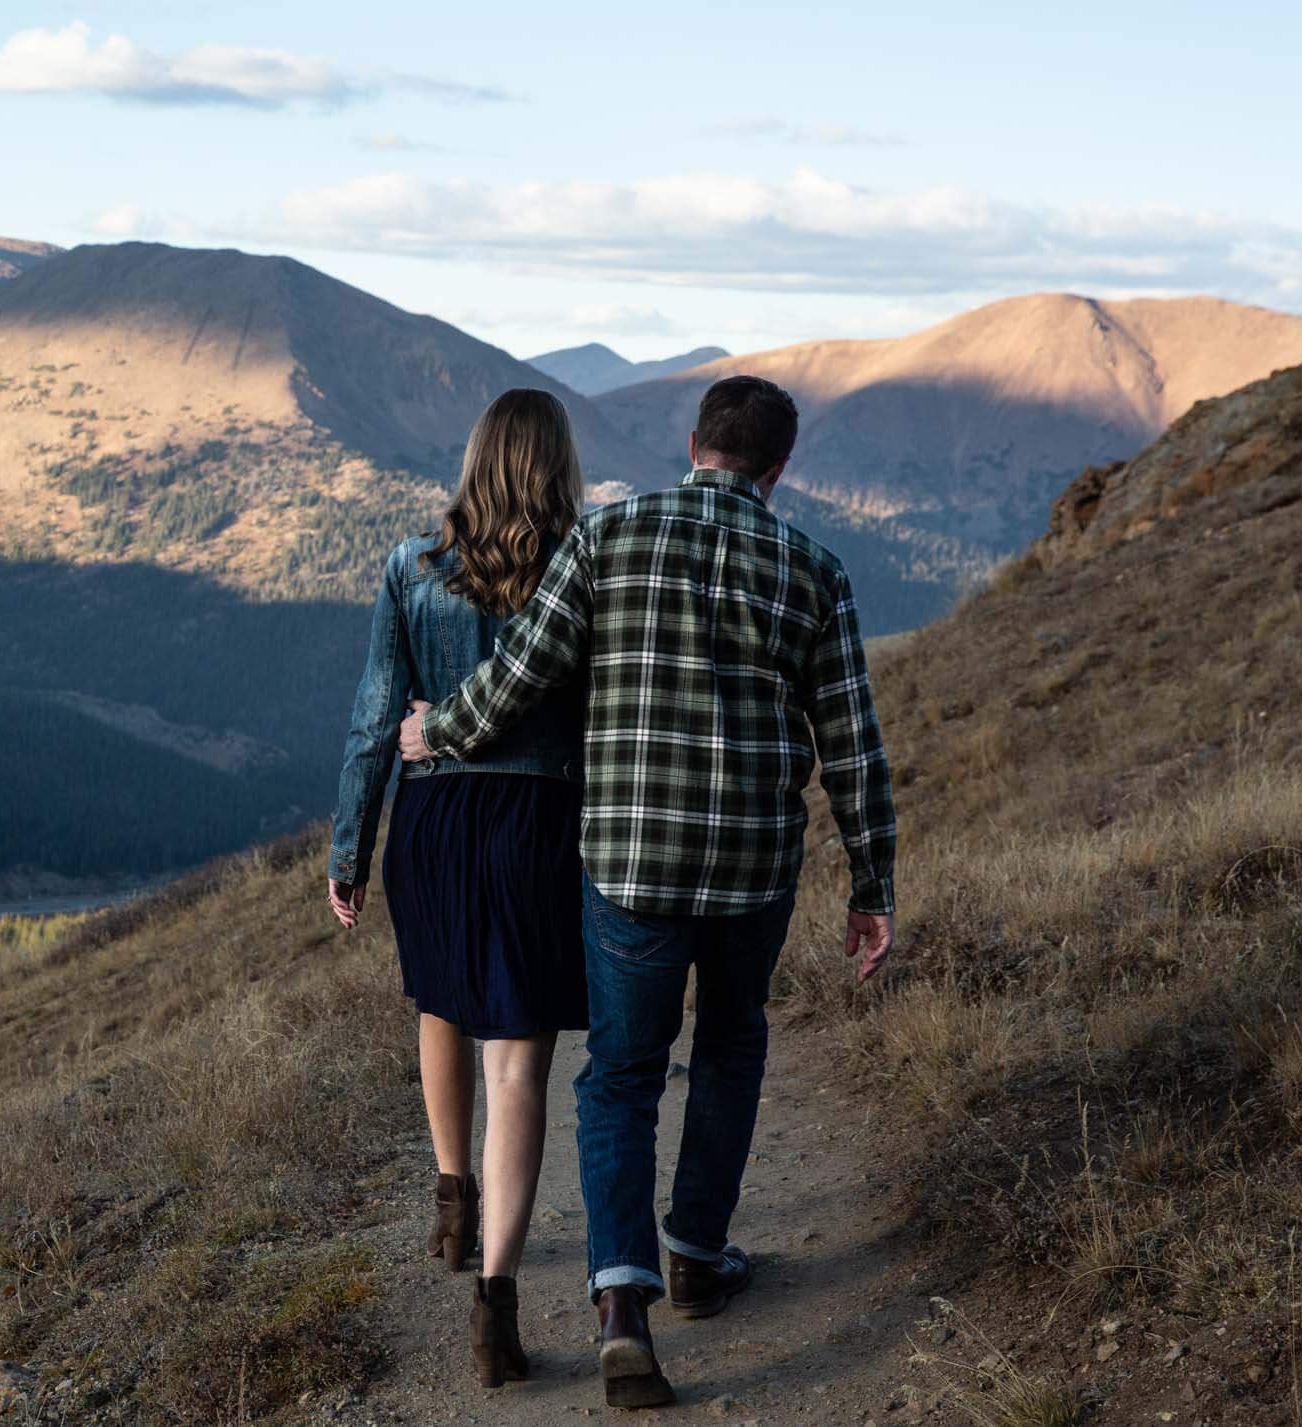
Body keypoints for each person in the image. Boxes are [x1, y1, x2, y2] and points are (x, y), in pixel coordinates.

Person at [399, 375, 898, 1411]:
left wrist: (429, 733)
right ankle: (696, 1255)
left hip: (628, 865)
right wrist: (870, 878)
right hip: (752, 863)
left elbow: (516, 679)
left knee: (620, 1074)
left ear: (693, 443)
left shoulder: (608, 538)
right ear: (776, 467)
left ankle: (621, 1305)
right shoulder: (813, 569)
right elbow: (851, 743)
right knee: (728, 1044)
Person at [327, 387, 590, 1390]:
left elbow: (372, 717)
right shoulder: (580, 567)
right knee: (517, 1064)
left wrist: (348, 848)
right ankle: (497, 1299)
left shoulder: (410, 566)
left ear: (476, 459)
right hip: (533, 823)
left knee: (440, 996)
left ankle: (450, 1188)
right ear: (557, 464)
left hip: (431, 819)